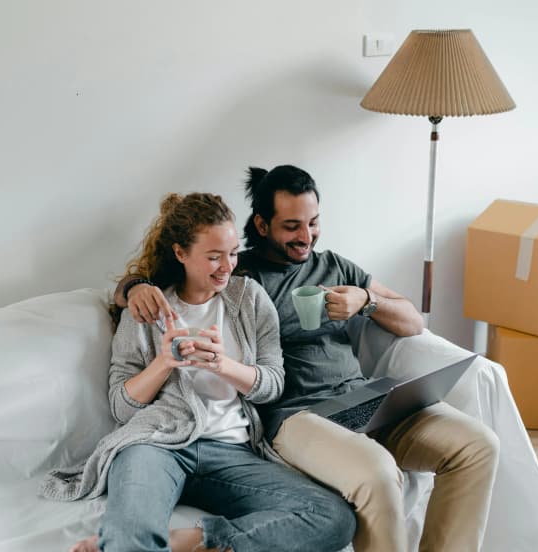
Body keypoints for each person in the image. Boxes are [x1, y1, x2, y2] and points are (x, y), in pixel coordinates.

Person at [117, 167, 501, 552]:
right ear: (263, 225)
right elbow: (155, 279)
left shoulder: (335, 266)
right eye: (291, 226)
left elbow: (412, 321)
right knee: (377, 473)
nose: (305, 237)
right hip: (298, 417)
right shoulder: (240, 275)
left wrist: (366, 302)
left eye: (313, 223)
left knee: (478, 445)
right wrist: (135, 288)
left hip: (364, 399)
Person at [42, 192, 356, 552]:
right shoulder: (145, 308)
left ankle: (188, 543)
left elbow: (272, 385)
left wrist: (223, 365)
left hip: (232, 452)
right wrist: (164, 363)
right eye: (213, 257)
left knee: (331, 516)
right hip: (155, 445)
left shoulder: (250, 299)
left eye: (233, 253)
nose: (228, 266)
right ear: (180, 253)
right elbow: (122, 407)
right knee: (130, 538)